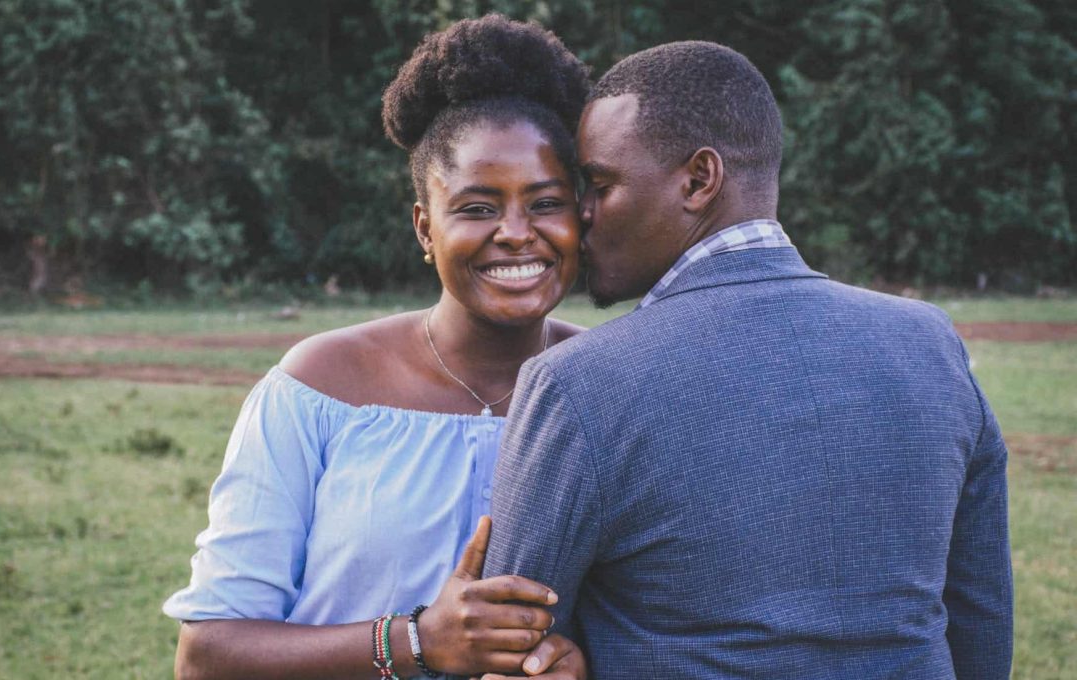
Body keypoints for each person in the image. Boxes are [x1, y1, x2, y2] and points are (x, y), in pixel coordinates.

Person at [484, 41, 1013, 679]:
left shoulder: (576, 383)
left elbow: (513, 645)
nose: (582, 214)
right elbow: (980, 624)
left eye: (599, 184)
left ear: (700, 180)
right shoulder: (930, 343)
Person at [164, 15, 592, 680]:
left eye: (545, 203)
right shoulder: (321, 384)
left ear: (582, 216)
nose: (515, 233)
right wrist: (417, 641)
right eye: (478, 208)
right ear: (425, 226)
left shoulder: (610, 390)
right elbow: (206, 656)